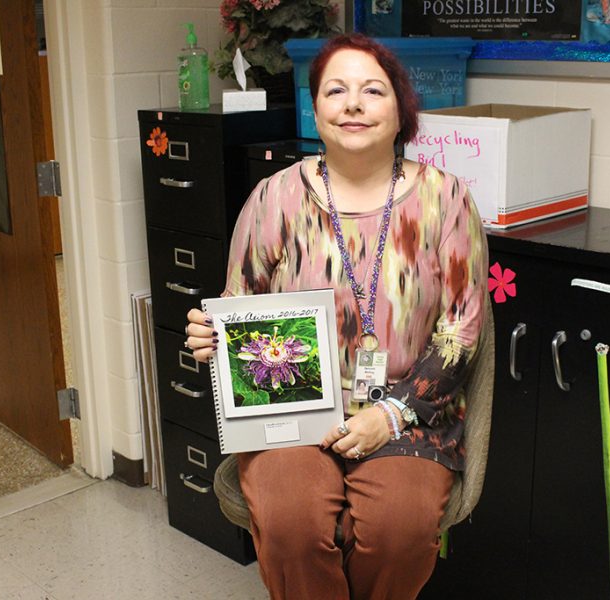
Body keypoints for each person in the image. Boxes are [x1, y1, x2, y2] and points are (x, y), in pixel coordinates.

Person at [185, 33, 488, 600]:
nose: (353, 103)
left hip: (410, 415)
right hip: (293, 415)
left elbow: (462, 329)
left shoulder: (446, 199)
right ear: (316, 108)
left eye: (372, 90)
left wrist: (392, 416)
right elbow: (240, 310)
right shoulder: (272, 199)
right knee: (291, 524)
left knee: (400, 529)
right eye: (335, 90)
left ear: (401, 111)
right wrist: (214, 336)